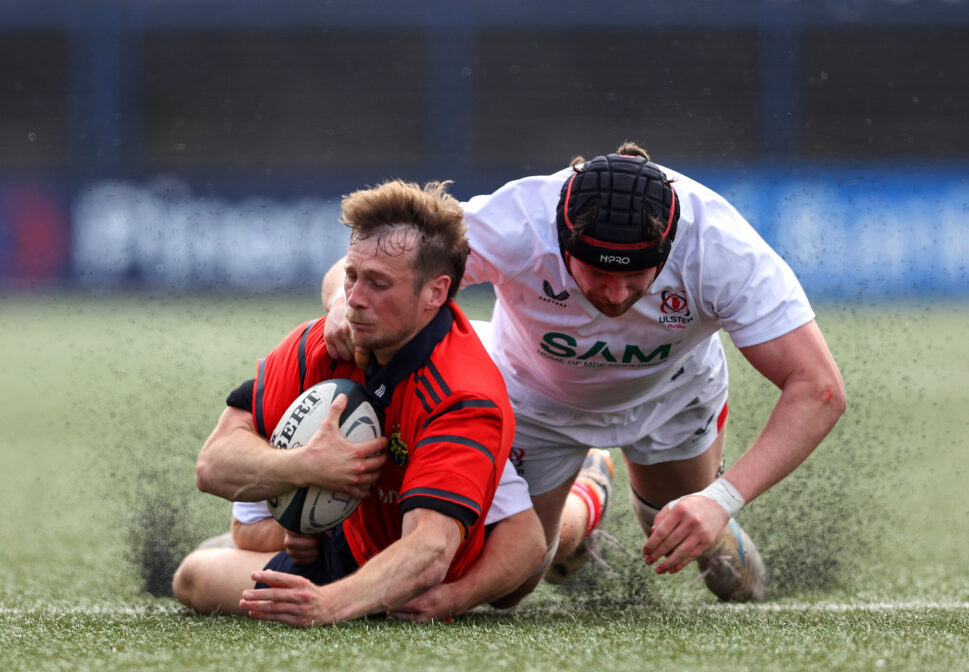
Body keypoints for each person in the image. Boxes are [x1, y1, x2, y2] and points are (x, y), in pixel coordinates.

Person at [321, 141, 846, 603]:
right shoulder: (519, 222)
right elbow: (369, 259)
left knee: (698, 547)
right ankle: (589, 492)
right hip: (535, 402)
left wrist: (720, 500)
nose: (614, 296)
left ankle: (711, 522)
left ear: (668, 249)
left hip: (672, 398)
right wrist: (342, 305)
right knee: (512, 579)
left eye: (636, 277)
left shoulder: (718, 245)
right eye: (596, 275)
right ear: (562, 243)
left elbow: (819, 389)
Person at [172, 179, 545, 626]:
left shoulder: (463, 395)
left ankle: (586, 486)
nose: (355, 299)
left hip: (437, 560)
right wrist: (309, 467)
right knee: (193, 576)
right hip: (351, 540)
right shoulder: (322, 343)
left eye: (379, 284)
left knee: (520, 581)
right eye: (352, 276)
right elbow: (213, 465)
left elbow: (430, 551)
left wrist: (329, 604)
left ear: (435, 292)